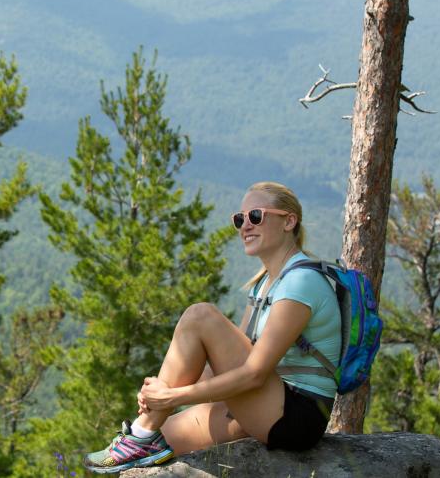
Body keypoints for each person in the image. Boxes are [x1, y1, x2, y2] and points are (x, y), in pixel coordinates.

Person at [83, 182, 341, 473]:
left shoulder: (301, 282)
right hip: (264, 403)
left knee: (200, 315)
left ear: (289, 221)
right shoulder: (264, 283)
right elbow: (226, 364)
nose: (245, 226)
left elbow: (254, 374)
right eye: (239, 219)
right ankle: (143, 432)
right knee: (160, 440)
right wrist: (160, 394)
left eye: (255, 216)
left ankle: (141, 432)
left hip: (295, 415)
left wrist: (172, 397)